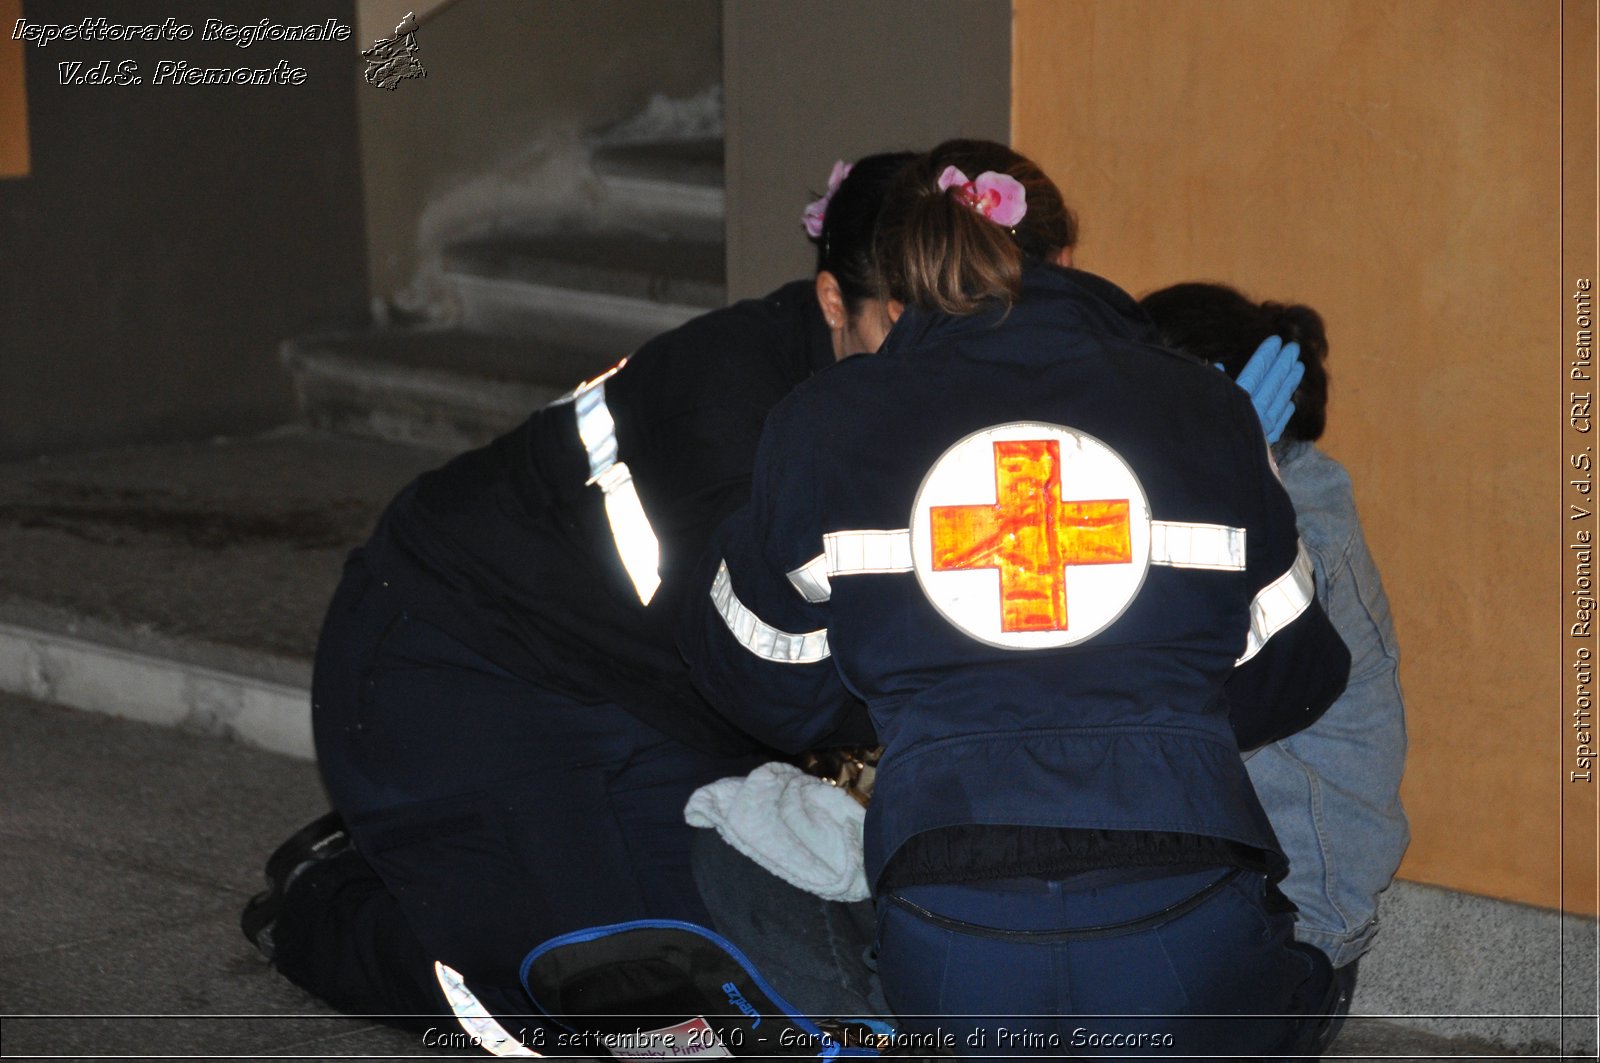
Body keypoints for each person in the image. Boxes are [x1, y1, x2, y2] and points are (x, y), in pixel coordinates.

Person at [679, 140, 1352, 1058]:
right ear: (1066, 258)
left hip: (953, 939)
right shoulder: (1204, 407)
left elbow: (753, 677)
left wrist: (918, 683)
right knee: (1304, 982)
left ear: (906, 276)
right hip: (1188, 923)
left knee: (736, 860)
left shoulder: (823, 421)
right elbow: (1298, 672)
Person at [240, 152, 916, 1032]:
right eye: (910, 324)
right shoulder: (736, 405)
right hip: (461, 661)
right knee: (635, 996)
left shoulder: (874, 383)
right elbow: (781, 694)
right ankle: (328, 903)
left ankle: (468, 863)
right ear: (834, 301)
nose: (948, 360)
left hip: (648, 689)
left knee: (769, 957)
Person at [1139, 281, 1409, 1035]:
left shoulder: (1302, 522)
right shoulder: (1228, 490)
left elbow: (1203, 687)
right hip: (1229, 876)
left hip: (1298, 908)